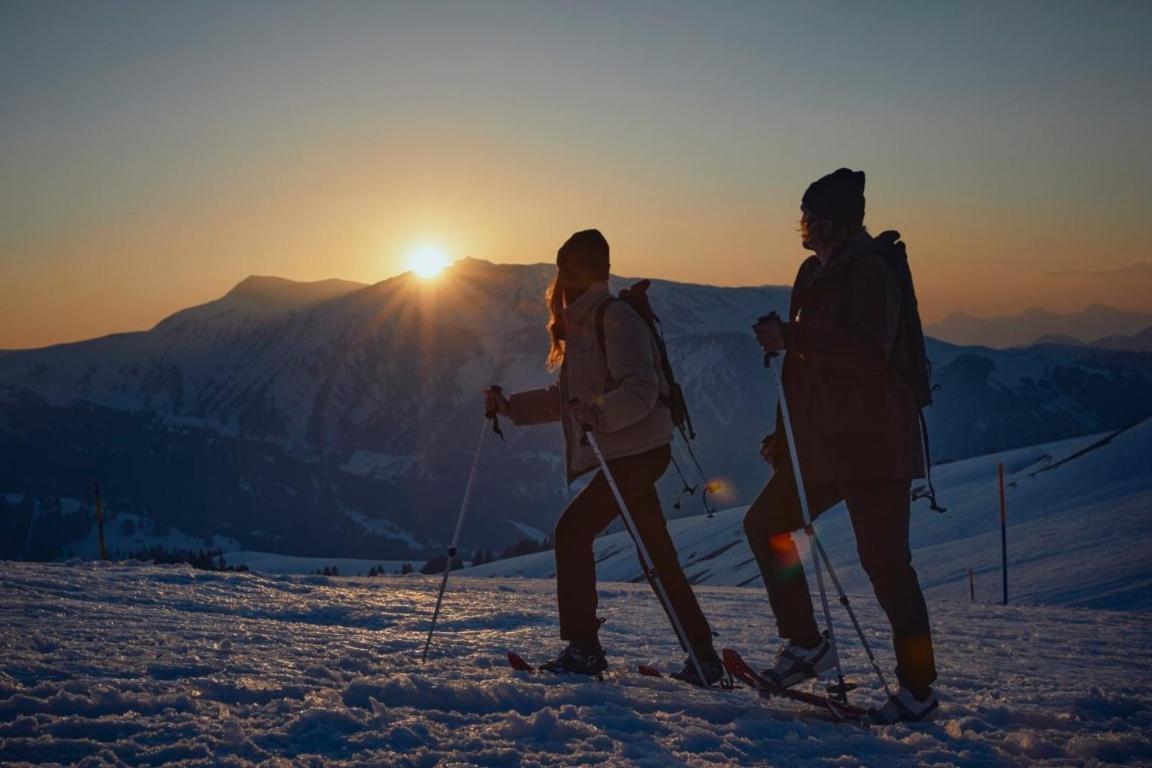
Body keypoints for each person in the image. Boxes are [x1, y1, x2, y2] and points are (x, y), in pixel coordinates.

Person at [485, 229, 723, 685]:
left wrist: (598, 413)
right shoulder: (587, 320)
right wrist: (511, 407)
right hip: (631, 451)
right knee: (655, 551)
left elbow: (641, 389)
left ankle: (585, 649)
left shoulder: (613, 319)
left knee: (573, 532)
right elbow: (568, 399)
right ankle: (703, 657)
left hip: (636, 452)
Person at [745, 169, 939, 723]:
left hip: (876, 443)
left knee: (886, 565)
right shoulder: (814, 272)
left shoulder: (873, 272)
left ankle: (918, 689)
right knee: (765, 524)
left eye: (810, 218)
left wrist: (794, 336)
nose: (803, 228)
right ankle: (806, 642)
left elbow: (868, 355)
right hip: (830, 442)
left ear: (834, 221)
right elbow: (804, 371)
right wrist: (785, 437)